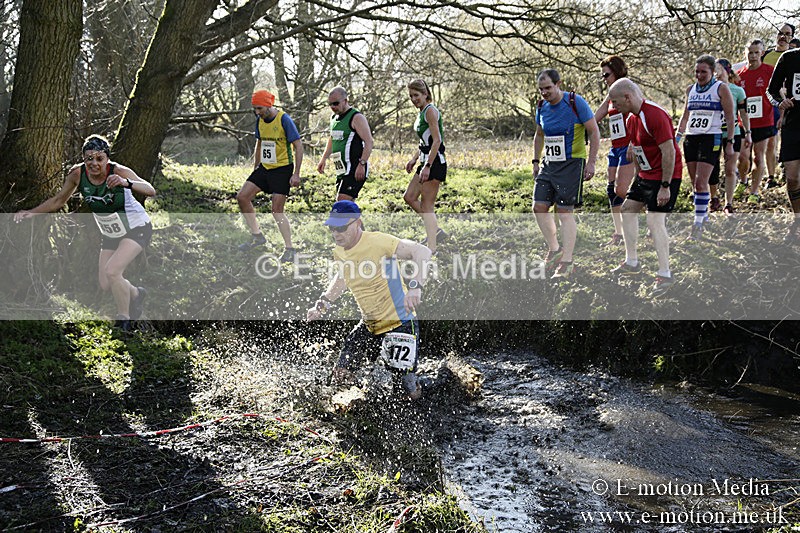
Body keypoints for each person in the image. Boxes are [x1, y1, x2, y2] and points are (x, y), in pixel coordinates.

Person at [13, 135, 155, 331]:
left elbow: (150, 190)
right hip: (111, 232)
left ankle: (124, 320)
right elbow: (58, 201)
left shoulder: (118, 171)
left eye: (99, 159)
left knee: (113, 271)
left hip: (136, 227)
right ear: (83, 158)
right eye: (89, 158)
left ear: (107, 159)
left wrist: (125, 183)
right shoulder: (77, 175)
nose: (94, 163)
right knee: (106, 282)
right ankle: (136, 294)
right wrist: (31, 213)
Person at [306, 200, 432, 400]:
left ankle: (431, 395)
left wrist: (415, 287)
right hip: (369, 325)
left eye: (341, 228)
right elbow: (343, 277)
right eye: (332, 228)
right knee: (341, 375)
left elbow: (422, 252)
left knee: (406, 391)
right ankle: (363, 407)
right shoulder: (339, 250)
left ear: (357, 223)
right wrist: (323, 303)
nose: (336, 234)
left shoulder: (378, 242)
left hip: (399, 323)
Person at [607, 79, 683, 297]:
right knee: (627, 209)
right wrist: (638, 178)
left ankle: (665, 274)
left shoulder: (655, 115)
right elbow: (638, 150)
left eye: (615, 101)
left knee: (654, 221)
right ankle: (632, 262)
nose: (613, 106)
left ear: (628, 97)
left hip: (666, 176)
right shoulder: (631, 119)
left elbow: (669, 152)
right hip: (646, 175)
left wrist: (665, 186)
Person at [531, 68, 600, 278]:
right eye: (541, 89)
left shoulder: (575, 102)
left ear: (558, 84)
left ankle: (567, 261)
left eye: (548, 88)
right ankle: (554, 249)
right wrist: (535, 161)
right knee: (539, 206)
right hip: (549, 164)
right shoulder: (541, 106)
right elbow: (539, 134)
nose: (544, 93)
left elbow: (594, 131)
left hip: (572, 164)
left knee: (564, 211)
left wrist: (591, 162)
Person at [237, 89, 304, 262]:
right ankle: (257, 236)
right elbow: (259, 144)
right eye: (255, 109)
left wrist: (296, 173)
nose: (257, 112)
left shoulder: (284, 119)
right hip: (264, 168)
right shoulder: (260, 120)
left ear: (268, 104)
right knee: (242, 197)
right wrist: (255, 167)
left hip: (282, 169)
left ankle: (290, 249)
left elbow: (298, 145)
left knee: (276, 210)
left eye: (259, 108)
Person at [676, 54, 735, 239]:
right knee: (695, 184)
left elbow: (731, 117)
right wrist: (676, 138)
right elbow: (685, 116)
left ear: (712, 72)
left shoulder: (721, 89)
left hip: (711, 138)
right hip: (691, 138)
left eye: (703, 72)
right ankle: (704, 217)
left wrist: (730, 142)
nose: (699, 75)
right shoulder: (690, 89)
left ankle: (698, 223)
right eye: (696, 72)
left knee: (702, 182)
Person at [594, 55, 635, 246]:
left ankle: (637, 224)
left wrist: (633, 143)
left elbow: (638, 116)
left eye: (607, 75)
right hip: (615, 147)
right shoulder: (610, 95)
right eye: (602, 76)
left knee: (621, 190)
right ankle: (618, 233)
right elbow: (596, 117)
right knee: (612, 191)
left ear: (617, 72)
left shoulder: (628, 91)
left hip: (628, 148)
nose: (604, 79)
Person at [403, 79, 448, 254]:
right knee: (409, 197)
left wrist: (428, 166)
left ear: (425, 94)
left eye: (417, 95)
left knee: (427, 206)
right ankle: (434, 231)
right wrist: (414, 159)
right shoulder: (421, 112)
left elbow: (437, 141)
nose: (414, 99)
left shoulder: (430, 111)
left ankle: (432, 248)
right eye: (411, 96)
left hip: (434, 162)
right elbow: (424, 141)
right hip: (424, 161)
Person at [708, 58, 752, 215]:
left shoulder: (737, 91)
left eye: (719, 69)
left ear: (727, 71)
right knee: (712, 168)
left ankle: (729, 203)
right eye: (714, 71)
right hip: (712, 134)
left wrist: (748, 133)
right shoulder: (709, 89)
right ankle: (714, 199)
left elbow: (744, 114)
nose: (716, 74)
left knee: (730, 169)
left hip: (733, 133)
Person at [316, 87, 374, 201]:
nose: (333, 107)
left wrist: (362, 164)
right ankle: (355, 220)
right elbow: (332, 139)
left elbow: (369, 142)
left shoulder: (356, 117)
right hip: (342, 169)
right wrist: (323, 159)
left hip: (355, 167)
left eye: (336, 103)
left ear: (345, 101)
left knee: (342, 202)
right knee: (347, 208)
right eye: (330, 104)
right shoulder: (334, 118)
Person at [767, 45, 800, 243]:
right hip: (793, 125)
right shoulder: (789, 58)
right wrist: (780, 102)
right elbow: (771, 91)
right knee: (794, 179)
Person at [736, 41, 775, 204]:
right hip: (743, 123)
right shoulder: (739, 75)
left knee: (759, 157)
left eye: (756, 53)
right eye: (749, 53)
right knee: (743, 158)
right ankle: (743, 181)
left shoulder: (769, 71)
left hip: (764, 120)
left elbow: (779, 91)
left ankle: (754, 191)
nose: (752, 56)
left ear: (762, 53)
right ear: (745, 54)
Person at [762, 23, 795, 189]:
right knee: (770, 142)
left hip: (790, 106)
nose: (783, 37)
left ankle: (784, 168)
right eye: (780, 33)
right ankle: (771, 174)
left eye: (787, 34)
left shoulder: (793, 56)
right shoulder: (767, 55)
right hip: (773, 104)